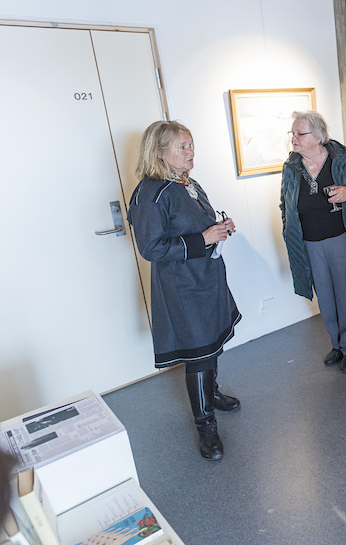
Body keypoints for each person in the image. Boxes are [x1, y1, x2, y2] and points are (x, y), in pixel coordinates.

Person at [127, 121, 242, 461]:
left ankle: (213, 393)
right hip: (183, 286)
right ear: (159, 152)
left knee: (212, 342)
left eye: (191, 144)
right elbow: (151, 249)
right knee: (199, 353)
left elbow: (199, 225)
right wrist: (203, 239)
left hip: (206, 277)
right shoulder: (151, 193)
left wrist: (219, 228)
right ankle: (206, 426)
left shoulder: (187, 183)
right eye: (183, 146)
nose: (191, 151)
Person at [280, 111, 346, 374]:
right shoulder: (291, 167)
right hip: (309, 244)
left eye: (300, 134)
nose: (294, 139)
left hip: (341, 239)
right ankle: (337, 345)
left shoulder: (343, 159)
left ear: (318, 136)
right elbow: (285, 204)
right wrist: (287, 228)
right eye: (293, 133)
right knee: (325, 297)